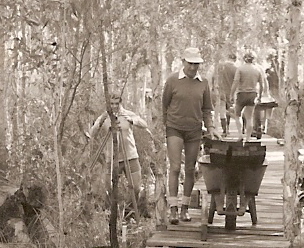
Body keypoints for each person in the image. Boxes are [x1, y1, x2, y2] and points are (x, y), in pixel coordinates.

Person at [162, 47, 218, 225]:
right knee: (175, 167)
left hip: (194, 130)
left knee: (190, 169)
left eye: (197, 64)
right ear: (183, 62)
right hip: (175, 128)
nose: (193, 67)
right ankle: (172, 208)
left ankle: (185, 207)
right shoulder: (172, 80)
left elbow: (207, 109)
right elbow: (165, 104)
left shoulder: (203, 83)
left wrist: (210, 127)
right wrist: (166, 124)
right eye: (191, 63)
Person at [86, 91, 153, 205]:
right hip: (112, 158)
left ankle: (131, 210)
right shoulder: (105, 116)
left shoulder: (128, 114)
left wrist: (132, 120)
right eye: (111, 104)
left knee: (136, 188)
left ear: (121, 103)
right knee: (109, 189)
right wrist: (100, 122)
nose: (114, 106)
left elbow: (144, 124)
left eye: (117, 103)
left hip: (130, 156)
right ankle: (112, 213)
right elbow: (91, 133)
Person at [230, 50, 264, 142]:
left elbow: (235, 82)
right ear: (253, 59)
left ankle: (240, 135)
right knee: (249, 117)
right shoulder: (257, 70)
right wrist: (260, 96)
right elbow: (262, 85)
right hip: (252, 95)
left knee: (237, 115)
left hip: (241, 94)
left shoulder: (240, 69)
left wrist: (231, 94)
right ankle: (248, 138)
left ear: (244, 59)